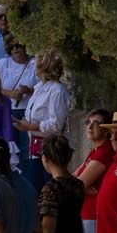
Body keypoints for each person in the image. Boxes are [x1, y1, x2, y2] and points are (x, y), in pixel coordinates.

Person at [15, 50, 72, 190]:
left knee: (46, 189)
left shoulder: (56, 91)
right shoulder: (39, 87)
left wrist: (31, 126)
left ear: (44, 66)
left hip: (49, 150)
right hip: (34, 148)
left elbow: (56, 124)